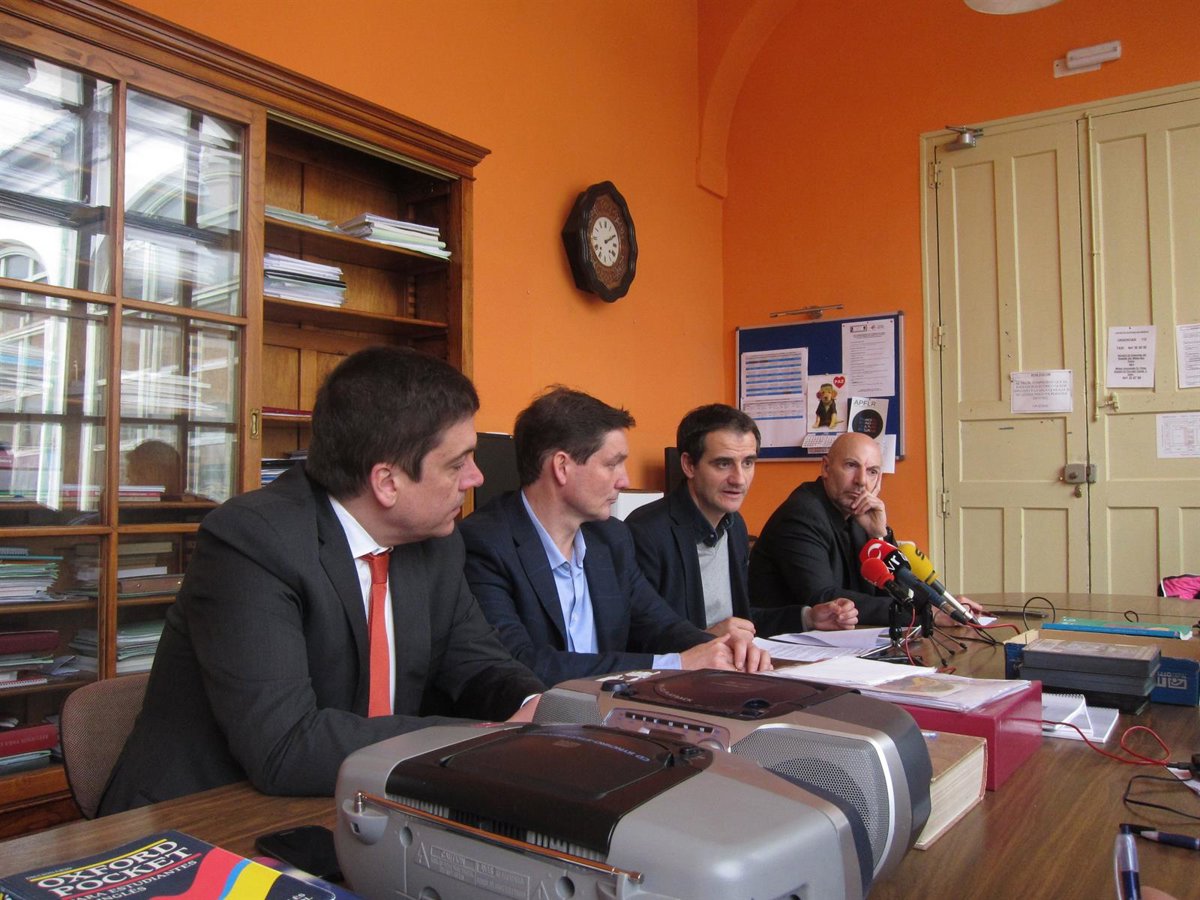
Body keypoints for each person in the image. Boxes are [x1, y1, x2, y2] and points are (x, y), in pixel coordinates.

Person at [99, 347, 545, 814]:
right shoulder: (252, 542)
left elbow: (479, 665)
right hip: (202, 817)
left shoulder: (435, 544)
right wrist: (479, 739)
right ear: (387, 482)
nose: (476, 478)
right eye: (457, 464)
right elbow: (284, 746)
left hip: (352, 801)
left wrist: (537, 708)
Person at [460, 387, 771, 688]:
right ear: (562, 467)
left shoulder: (610, 538)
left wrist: (723, 649)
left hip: (613, 711)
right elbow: (519, 662)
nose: (625, 480)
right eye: (612, 464)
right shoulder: (486, 543)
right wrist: (677, 664)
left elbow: (660, 624)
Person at [626, 404, 857, 636]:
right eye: (723, 464)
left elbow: (742, 620)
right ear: (688, 465)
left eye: (747, 463)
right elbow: (638, 636)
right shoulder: (647, 532)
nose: (739, 479)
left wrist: (808, 617)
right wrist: (705, 638)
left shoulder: (734, 525)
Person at [749, 431, 982, 626]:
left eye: (872, 471)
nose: (861, 481)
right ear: (826, 468)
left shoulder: (859, 515)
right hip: (782, 648)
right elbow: (824, 598)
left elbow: (890, 588)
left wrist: (878, 534)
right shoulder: (802, 514)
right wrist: (925, 612)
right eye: (851, 466)